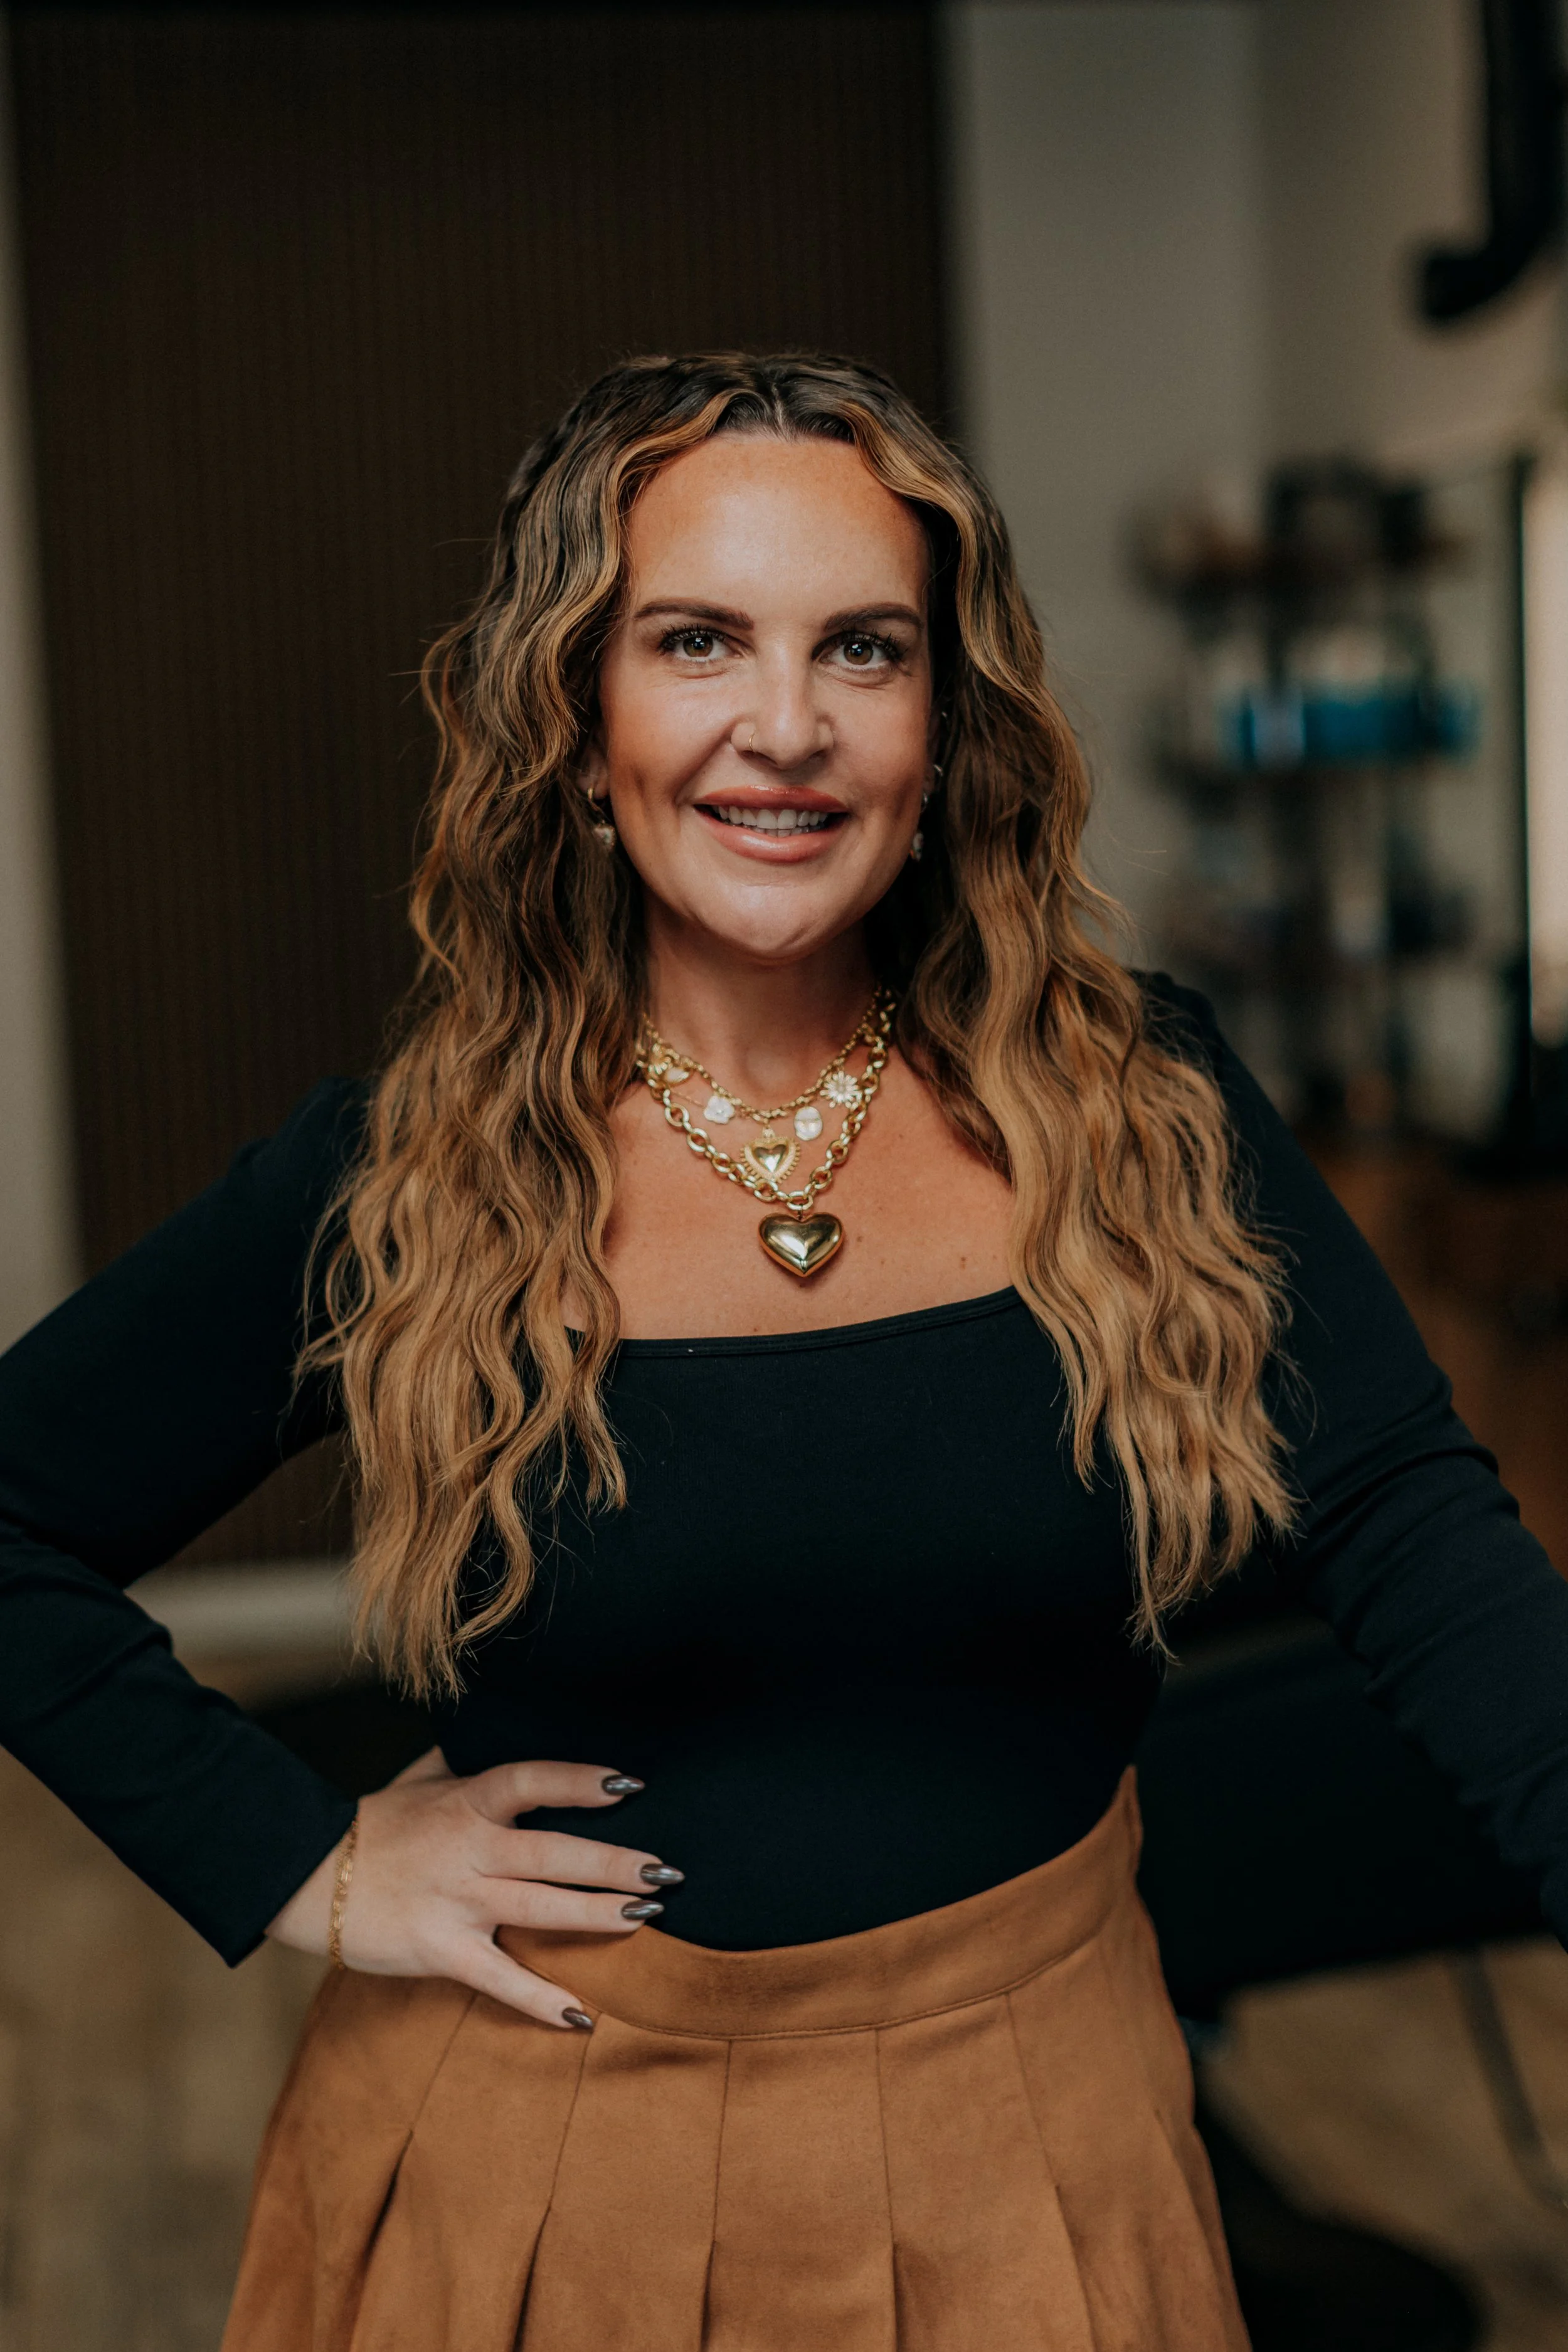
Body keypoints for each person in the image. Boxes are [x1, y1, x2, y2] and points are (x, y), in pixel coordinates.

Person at [4, 352, 1568, 2352]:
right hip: (555, 2166)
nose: (785, 727)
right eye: (694, 640)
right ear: (578, 724)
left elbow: (1404, 1519)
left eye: (861, 649)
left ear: (945, 725)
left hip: (1052, 2143)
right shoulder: (404, 1177)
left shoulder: (1141, 1103)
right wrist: (293, 1854)